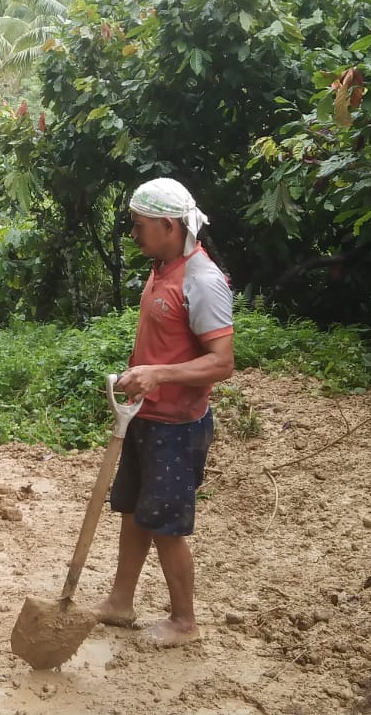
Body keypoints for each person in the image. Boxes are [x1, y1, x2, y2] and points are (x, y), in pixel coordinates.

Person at [95, 177, 234, 647]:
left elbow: (223, 362)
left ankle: (184, 622)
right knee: (133, 511)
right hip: (144, 417)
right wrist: (141, 376)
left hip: (176, 427)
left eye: (139, 225)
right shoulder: (163, 265)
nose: (133, 233)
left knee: (165, 525)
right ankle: (119, 602)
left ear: (169, 225)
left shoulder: (203, 280)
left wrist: (157, 374)